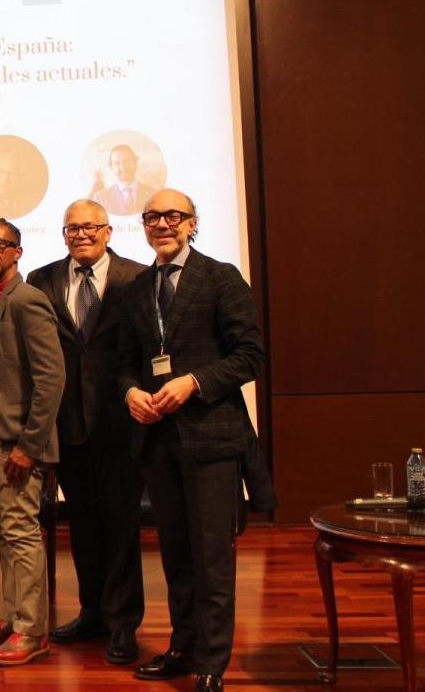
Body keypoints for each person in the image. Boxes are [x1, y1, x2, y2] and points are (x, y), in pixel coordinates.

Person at [118, 189, 264, 692]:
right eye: (152, 216)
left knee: (212, 558)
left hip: (212, 441)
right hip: (158, 443)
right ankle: (182, 647)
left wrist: (194, 382)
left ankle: (212, 663)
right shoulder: (137, 287)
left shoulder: (220, 276)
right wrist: (131, 391)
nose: (162, 223)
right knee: (177, 556)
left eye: (172, 215)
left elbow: (250, 355)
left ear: (192, 223)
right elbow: (123, 364)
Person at [26, 199, 146, 665]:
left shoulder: (137, 278)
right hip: (67, 423)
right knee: (84, 527)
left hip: (121, 423)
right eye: (72, 228)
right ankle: (92, 612)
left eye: (90, 227)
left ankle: (123, 624)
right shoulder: (43, 279)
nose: (81, 234)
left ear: (108, 231)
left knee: (120, 527)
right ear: (63, 234)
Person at [0, 217, 65, 666]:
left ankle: (31, 631)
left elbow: (51, 378)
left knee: (23, 536)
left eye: (0, 244)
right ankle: (14, 616)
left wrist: (30, 446)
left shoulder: (27, 300)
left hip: (19, 446)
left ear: (18, 252)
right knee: (7, 534)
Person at [94, 145, 159, 216]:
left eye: (126, 161)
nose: (122, 167)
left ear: (135, 162)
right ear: (111, 167)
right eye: (117, 163)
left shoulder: (154, 195)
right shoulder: (100, 198)